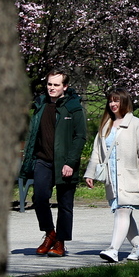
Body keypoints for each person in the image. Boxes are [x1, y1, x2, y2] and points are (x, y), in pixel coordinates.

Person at [20, 69, 87, 258]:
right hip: (43, 160)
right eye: (50, 84)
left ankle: (60, 243)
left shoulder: (73, 107)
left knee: (65, 204)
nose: (52, 88)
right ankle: (50, 234)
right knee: (39, 198)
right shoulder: (40, 105)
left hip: (65, 163)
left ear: (65, 87)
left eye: (56, 85)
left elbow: (80, 136)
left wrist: (71, 163)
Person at [85, 88, 139, 263]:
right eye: (110, 101)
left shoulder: (136, 124)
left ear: (124, 102)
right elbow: (96, 153)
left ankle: (113, 249)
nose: (113, 104)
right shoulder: (105, 125)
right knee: (124, 213)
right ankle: (138, 248)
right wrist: (90, 174)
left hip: (131, 178)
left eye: (116, 101)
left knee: (123, 211)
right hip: (112, 178)